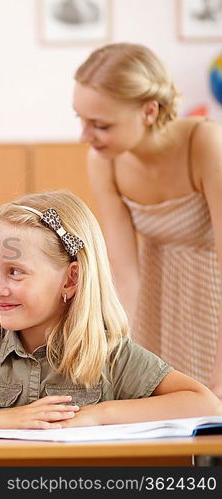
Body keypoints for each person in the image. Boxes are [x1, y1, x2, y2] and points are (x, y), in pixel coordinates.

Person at [0, 191, 222, 434]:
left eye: (15, 272)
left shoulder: (110, 355)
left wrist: (100, 415)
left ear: (70, 278)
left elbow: (206, 404)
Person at [73, 42, 222, 398]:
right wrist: (111, 356)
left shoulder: (206, 144)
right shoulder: (103, 160)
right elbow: (125, 274)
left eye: (100, 124)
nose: (84, 136)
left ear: (149, 111)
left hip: (214, 300)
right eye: (80, 119)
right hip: (160, 298)